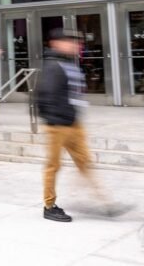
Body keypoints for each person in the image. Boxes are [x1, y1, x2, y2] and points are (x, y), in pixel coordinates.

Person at [37, 29, 121, 223]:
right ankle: (49, 206)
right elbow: (44, 96)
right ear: (56, 43)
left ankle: (105, 202)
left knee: (84, 162)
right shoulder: (52, 66)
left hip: (73, 123)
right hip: (58, 125)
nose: (76, 45)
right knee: (53, 166)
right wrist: (55, 119)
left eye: (77, 42)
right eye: (70, 42)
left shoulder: (68, 63)